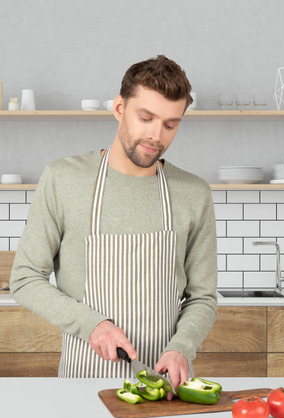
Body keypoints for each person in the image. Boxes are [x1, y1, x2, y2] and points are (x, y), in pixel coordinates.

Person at [10, 55, 217, 399]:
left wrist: (182, 347)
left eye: (170, 124)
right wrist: (93, 326)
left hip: (166, 388)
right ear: (119, 107)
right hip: (84, 383)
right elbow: (25, 278)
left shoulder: (193, 194)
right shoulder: (64, 178)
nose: (156, 135)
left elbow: (203, 297)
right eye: (146, 117)